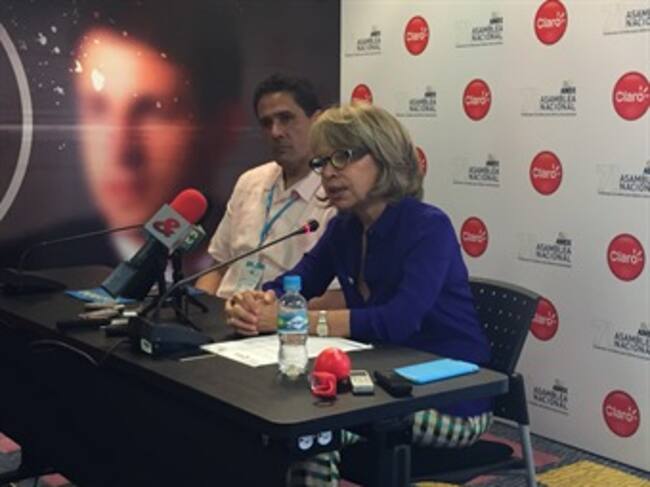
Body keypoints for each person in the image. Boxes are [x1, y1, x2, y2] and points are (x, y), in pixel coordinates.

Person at [225, 103, 492, 486]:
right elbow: (299, 282)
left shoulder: (428, 227)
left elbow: (397, 321)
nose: (329, 173)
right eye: (322, 162)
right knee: (273, 423)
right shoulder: (344, 227)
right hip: (379, 381)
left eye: (343, 157)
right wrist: (257, 301)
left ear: (384, 158)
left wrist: (292, 319)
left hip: (449, 397)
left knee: (312, 428)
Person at [0, 1, 241, 271]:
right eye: (98, 108)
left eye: (153, 111)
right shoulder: (18, 268)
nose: (120, 151)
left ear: (223, 128)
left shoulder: (267, 254)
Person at [196, 74, 341, 307]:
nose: (276, 132)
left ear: (317, 121)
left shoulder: (336, 191)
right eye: (266, 123)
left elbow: (336, 295)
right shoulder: (250, 181)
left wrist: (271, 316)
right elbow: (217, 267)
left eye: (286, 119)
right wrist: (203, 310)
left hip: (282, 318)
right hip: (226, 312)